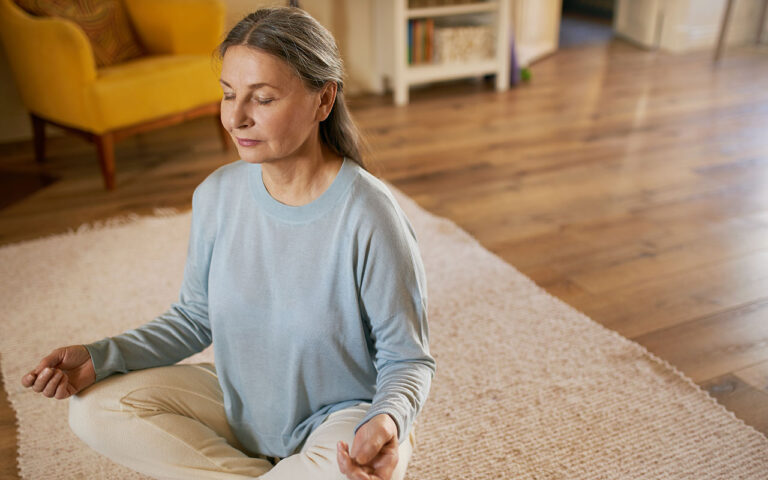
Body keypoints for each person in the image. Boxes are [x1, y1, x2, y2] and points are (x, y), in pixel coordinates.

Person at [19, 6, 436, 480]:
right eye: (228, 95)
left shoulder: (371, 215)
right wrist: (100, 357)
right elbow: (194, 317)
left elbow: (408, 358)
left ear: (324, 100)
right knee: (93, 408)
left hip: (340, 421)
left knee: (353, 470)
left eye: (261, 99)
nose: (236, 118)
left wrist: (387, 421)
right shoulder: (217, 195)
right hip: (242, 402)